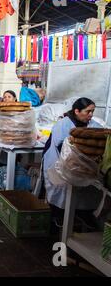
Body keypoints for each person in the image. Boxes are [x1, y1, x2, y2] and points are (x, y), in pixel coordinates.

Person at [43, 97, 103, 227]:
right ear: (77, 111)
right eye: (88, 111)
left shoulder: (94, 126)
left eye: (93, 111)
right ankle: (58, 215)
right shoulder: (63, 124)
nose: (91, 115)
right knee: (62, 189)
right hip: (58, 161)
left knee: (91, 188)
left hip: (84, 166)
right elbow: (62, 148)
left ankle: (83, 214)